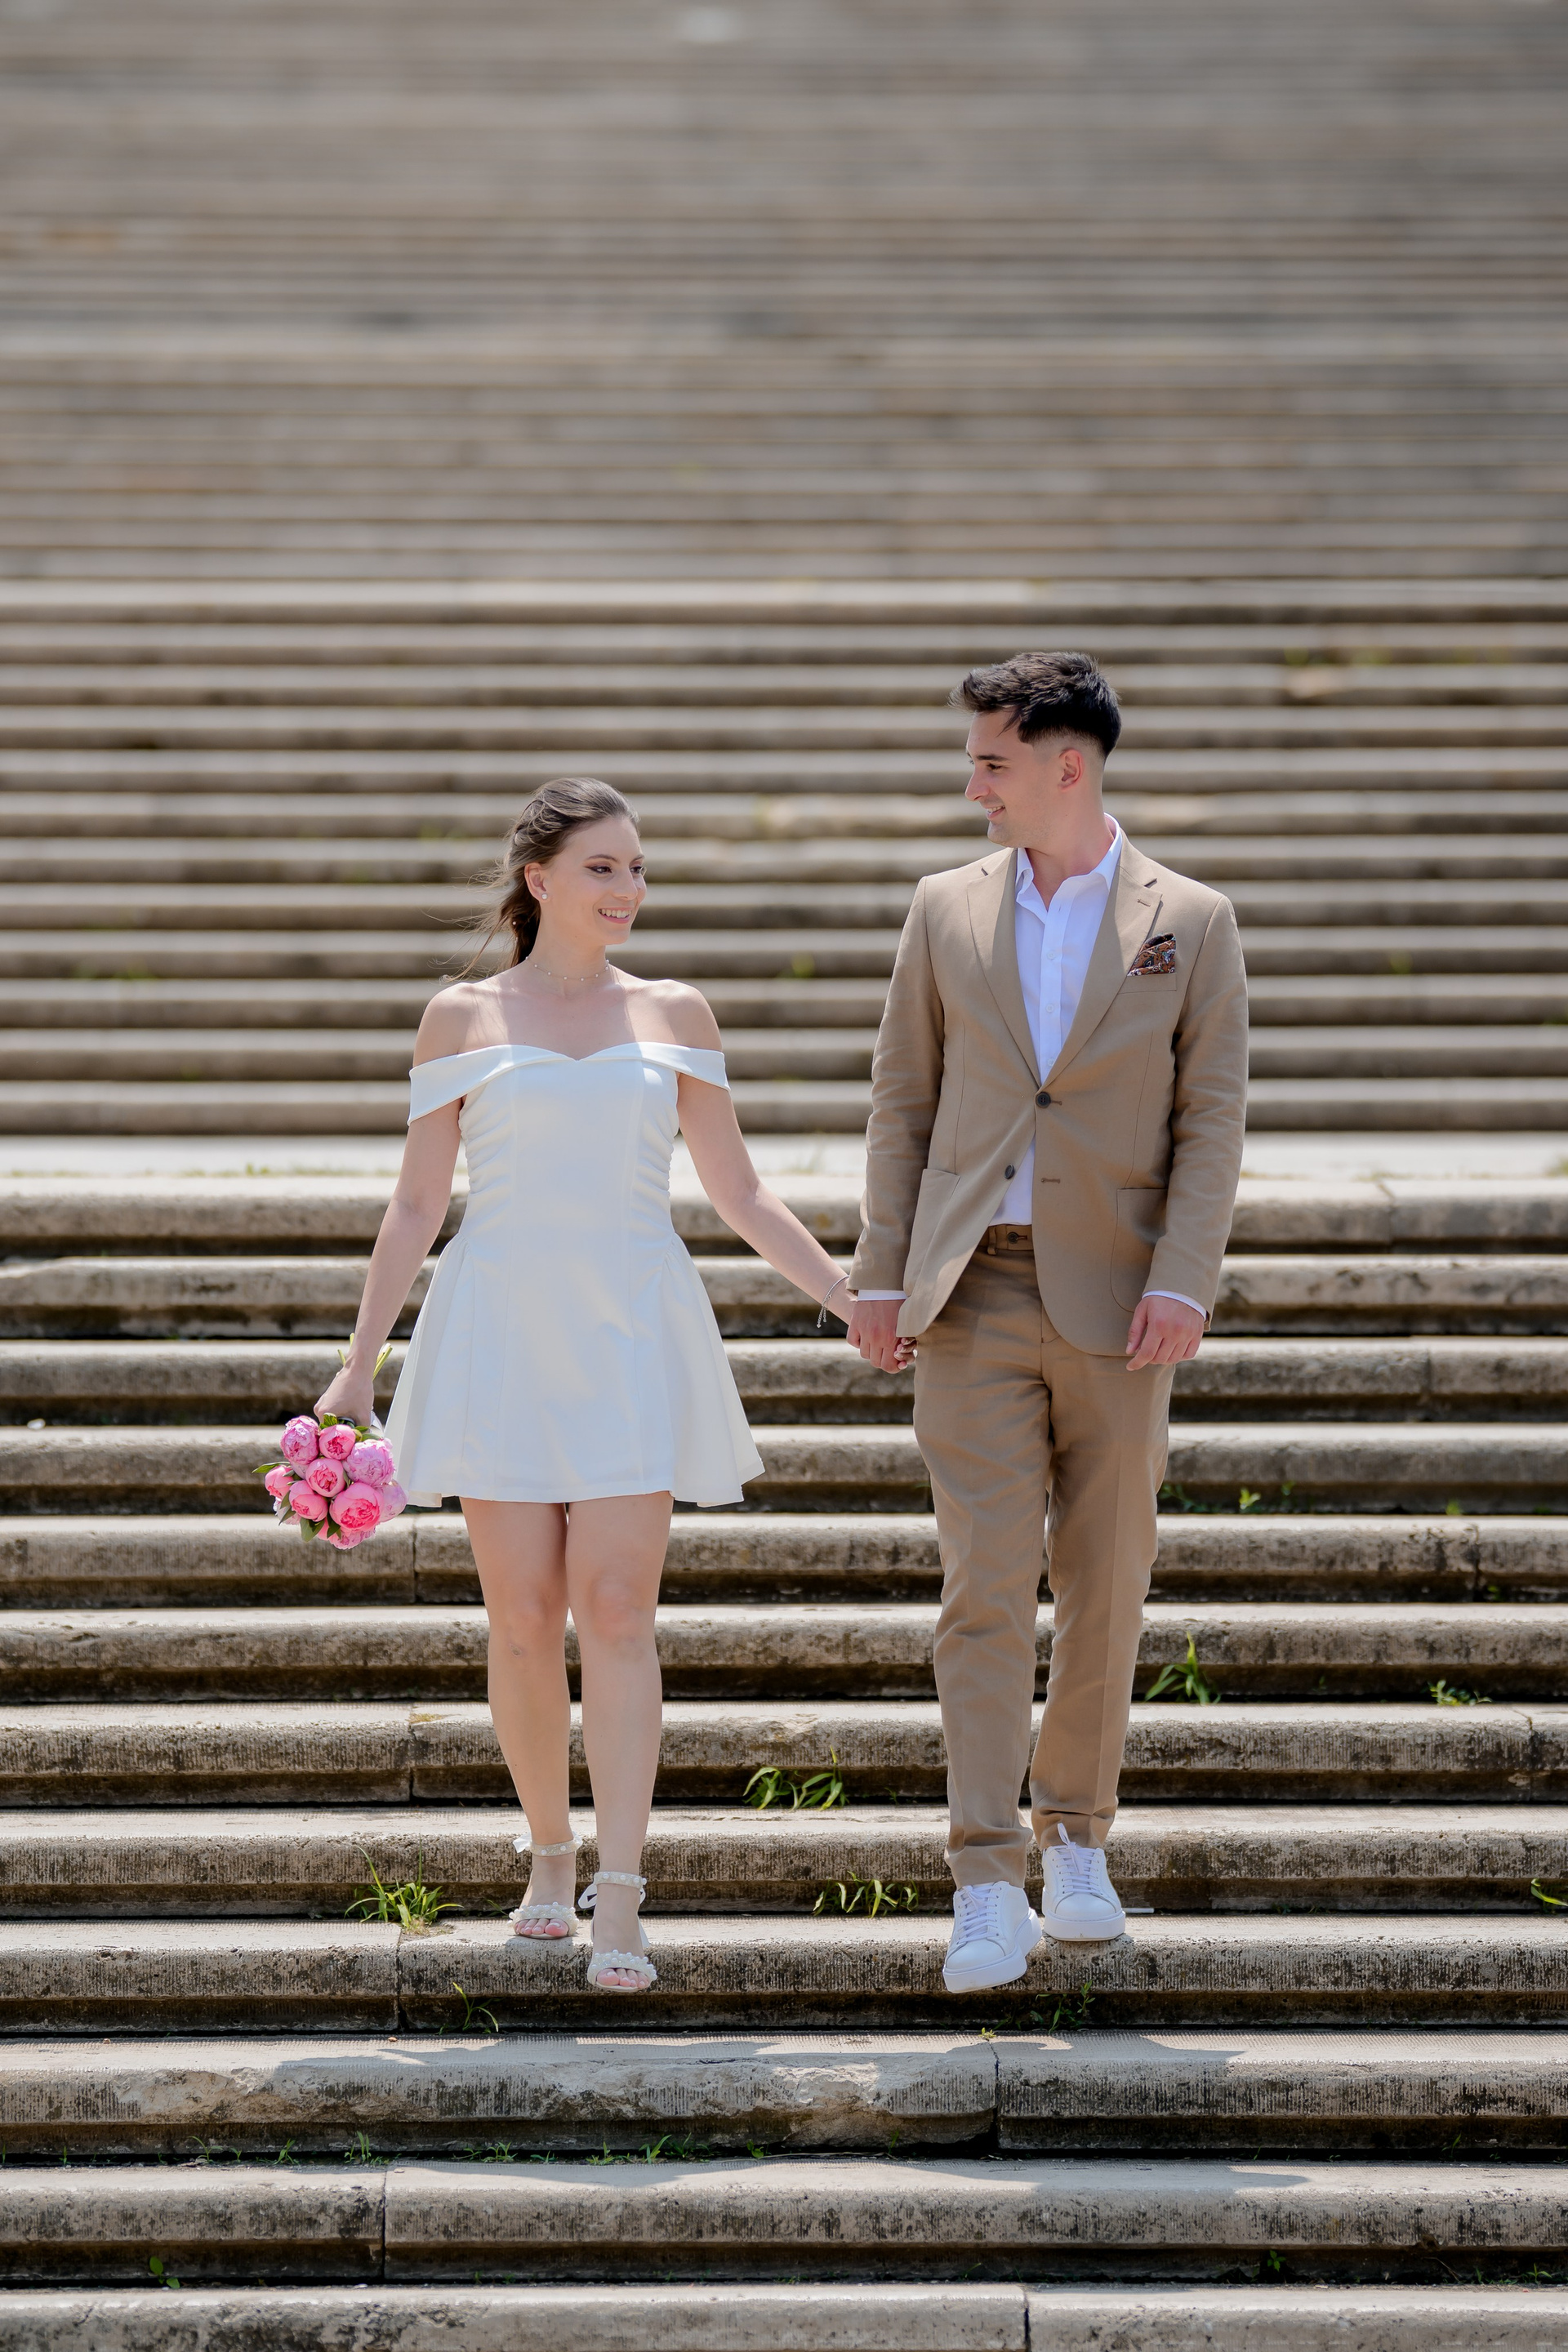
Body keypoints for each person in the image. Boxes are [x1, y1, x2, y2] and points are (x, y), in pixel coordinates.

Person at [316, 777, 851, 1994]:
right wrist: (358, 1364)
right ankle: (549, 1853)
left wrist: (848, 1295)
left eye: (638, 867)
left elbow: (738, 1190)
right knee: (519, 1619)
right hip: (500, 1329)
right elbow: (416, 1202)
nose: (629, 888)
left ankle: (621, 1891)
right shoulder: (459, 1017)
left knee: (615, 1611)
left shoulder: (674, 1010)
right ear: (540, 879)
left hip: (631, 1332)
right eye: (604, 867)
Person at [844, 653, 1248, 1992]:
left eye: (992, 762)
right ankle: (983, 1876)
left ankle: (1077, 1838)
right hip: (970, 1288)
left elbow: (1212, 1117)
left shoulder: (1191, 920)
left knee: (1107, 1578)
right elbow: (903, 1099)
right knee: (982, 1587)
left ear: (1066, 765)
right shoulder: (943, 907)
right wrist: (882, 1273)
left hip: (1120, 1301)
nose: (974, 785)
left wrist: (1184, 1276)